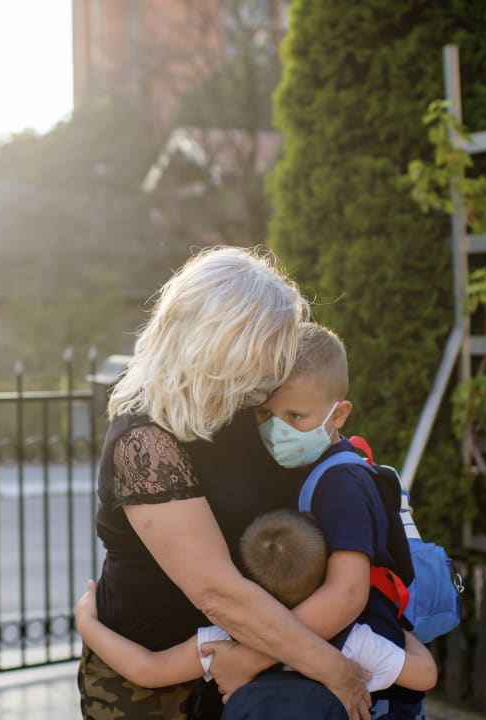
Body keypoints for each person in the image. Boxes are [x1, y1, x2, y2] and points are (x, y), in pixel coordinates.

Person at [77, 247, 375, 720]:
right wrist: (334, 669)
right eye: (267, 345)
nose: (277, 363)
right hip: (152, 686)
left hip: (260, 661)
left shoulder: (257, 408)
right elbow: (218, 592)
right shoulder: (143, 440)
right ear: (220, 345)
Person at [206, 323, 429, 720]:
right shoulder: (314, 468)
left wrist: (251, 657)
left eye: (295, 415)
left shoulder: (340, 483)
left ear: (339, 414)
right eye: (265, 414)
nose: (277, 429)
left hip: (371, 689)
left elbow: (346, 595)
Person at [74, 508, 437, 693]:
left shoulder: (222, 641)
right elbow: (425, 676)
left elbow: (147, 670)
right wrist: (394, 624)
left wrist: (86, 623)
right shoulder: (354, 641)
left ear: (243, 581)